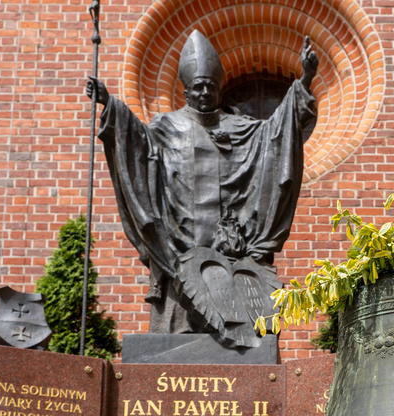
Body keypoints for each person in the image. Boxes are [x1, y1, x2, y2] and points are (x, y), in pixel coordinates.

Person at [86, 30, 318, 348]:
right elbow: (137, 144)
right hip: (180, 246)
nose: (205, 91)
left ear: (219, 88)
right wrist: (109, 103)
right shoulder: (166, 128)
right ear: (186, 91)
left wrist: (303, 80)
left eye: (211, 85)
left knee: (247, 334)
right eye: (198, 86)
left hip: (232, 253)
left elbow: (277, 133)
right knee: (176, 336)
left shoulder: (242, 128)